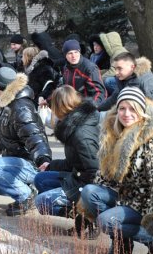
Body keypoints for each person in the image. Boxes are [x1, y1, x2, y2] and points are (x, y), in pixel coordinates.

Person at [80, 87, 153, 254]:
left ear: (141, 111)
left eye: (132, 108)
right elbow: (104, 177)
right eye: (122, 108)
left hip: (144, 203)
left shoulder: (152, 140)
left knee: (106, 221)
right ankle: (122, 243)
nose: (126, 113)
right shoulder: (114, 134)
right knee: (89, 192)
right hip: (123, 197)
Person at [0, 68, 52, 216]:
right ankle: (24, 189)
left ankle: (26, 196)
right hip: (13, 162)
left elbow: (35, 136)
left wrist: (43, 159)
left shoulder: (21, 108)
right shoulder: (6, 104)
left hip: (30, 165)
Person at [34, 85, 99, 219]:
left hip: (87, 184)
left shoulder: (81, 134)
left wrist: (78, 195)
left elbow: (95, 171)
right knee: (40, 179)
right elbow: (73, 162)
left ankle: (86, 218)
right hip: (78, 176)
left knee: (42, 202)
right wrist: (50, 166)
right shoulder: (73, 124)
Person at [98, 52, 153, 120]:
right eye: (115, 69)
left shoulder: (148, 80)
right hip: (132, 115)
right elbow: (113, 99)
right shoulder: (123, 79)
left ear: (132, 67)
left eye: (119, 68)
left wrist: (143, 123)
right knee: (101, 116)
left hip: (148, 119)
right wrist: (96, 109)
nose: (116, 73)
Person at [62, 39, 106, 104]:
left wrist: (89, 108)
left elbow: (99, 92)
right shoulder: (66, 68)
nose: (73, 56)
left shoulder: (89, 68)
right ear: (65, 55)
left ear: (79, 52)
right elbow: (64, 88)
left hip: (87, 106)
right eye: (70, 53)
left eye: (76, 52)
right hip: (72, 104)